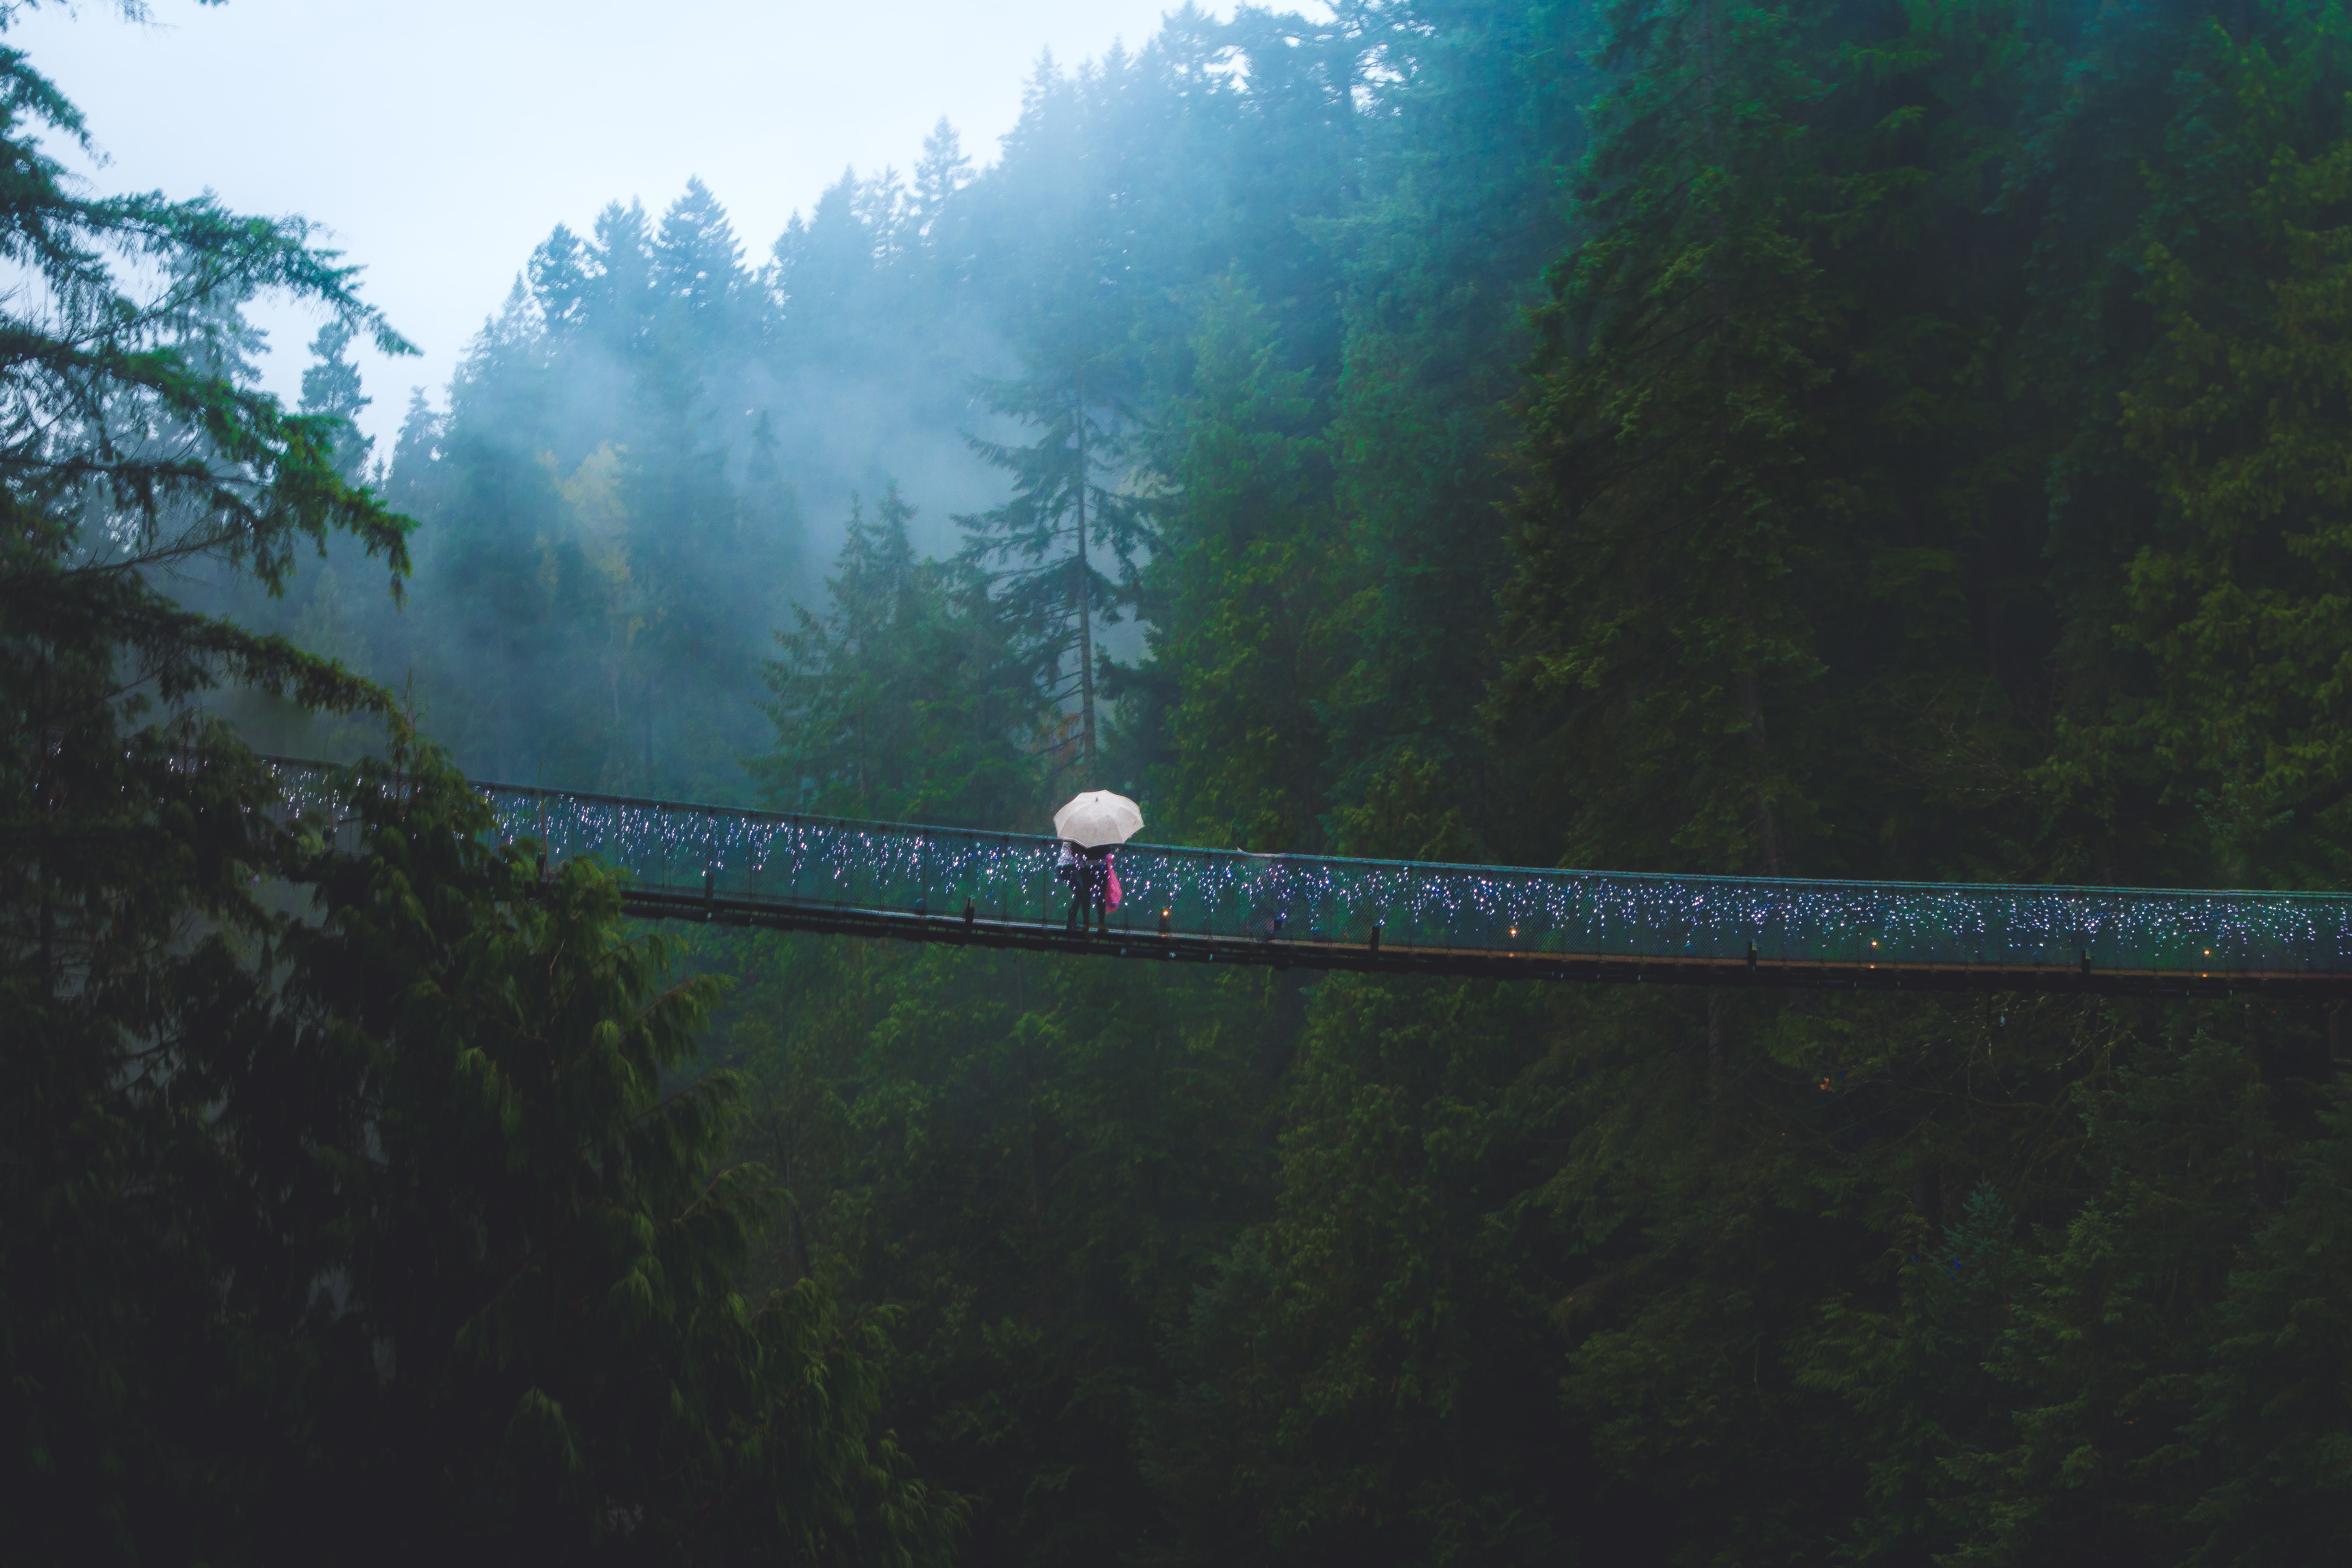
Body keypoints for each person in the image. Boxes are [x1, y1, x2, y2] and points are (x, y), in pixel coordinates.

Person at [1058, 841, 1114, 931]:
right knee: (1101, 895)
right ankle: (1101, 925)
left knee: (1086, 894)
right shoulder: (1103, 836)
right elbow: (1107, 851)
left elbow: (1076, 851)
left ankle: (1086, 924)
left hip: (1086, 866)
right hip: (1101, 865)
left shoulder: (1083, 835)